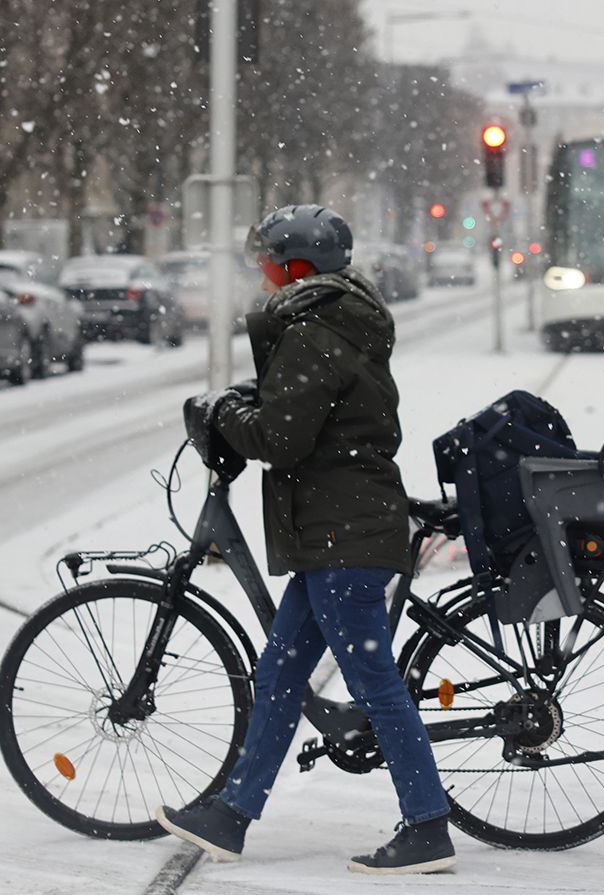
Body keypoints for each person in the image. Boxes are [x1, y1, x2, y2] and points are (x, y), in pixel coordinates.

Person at [158, 205, 454, 875]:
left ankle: (428, 825)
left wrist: (227, 410)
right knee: (282, 671)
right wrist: (249, 401)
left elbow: (280, 437)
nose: (261, 277)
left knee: (375, 684)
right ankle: (232, 814)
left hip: (343, 535)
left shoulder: (314, 332)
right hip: (336, 530)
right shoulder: (332, 324)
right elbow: (299, 413)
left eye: (267, 263)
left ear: (297, 268)